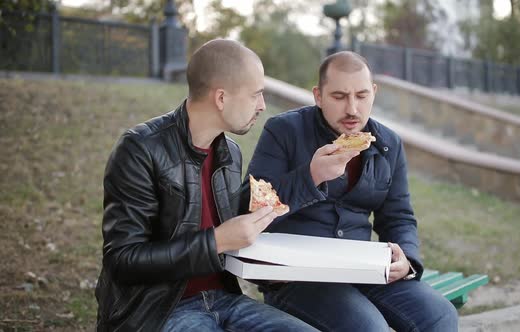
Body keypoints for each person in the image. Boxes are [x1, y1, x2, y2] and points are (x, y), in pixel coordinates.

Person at [95, 39, 318, 332]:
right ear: (221, 98)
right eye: (256, 95)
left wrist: (266, 271)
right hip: (158, 311)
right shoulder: (140, 149)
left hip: (224, 300)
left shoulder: (230, 153)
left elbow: (230, 237)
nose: (263, 105)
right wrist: (217, 241)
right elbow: (123, 260)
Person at [243, 51, 459, 332]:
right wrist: (312, 176)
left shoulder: (388, 144)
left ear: (374, 93)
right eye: (339, 96)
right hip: (298, 277)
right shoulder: (284, 131)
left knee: (441, 315)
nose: (352, 109)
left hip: (364, 269)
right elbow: (251, 210)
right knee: (370, 328)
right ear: (318, 96)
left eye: (361, 95)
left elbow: (398, 217)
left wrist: (406, 258)